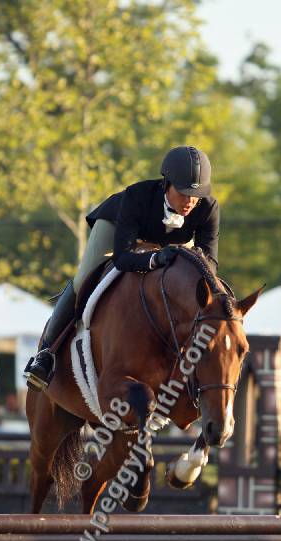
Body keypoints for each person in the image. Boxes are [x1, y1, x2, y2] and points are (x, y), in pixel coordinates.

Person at [24, 145, 219, 391]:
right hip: (118, 227)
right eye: (183, 193)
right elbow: (122, 258)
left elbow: (209, 265)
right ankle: (46, 354)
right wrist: (155, 259)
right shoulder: (137, 196)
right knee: (83, 278)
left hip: (171, 242)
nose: (190, 201)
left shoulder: (207, 208)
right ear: (167, 183)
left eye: (196, 194)